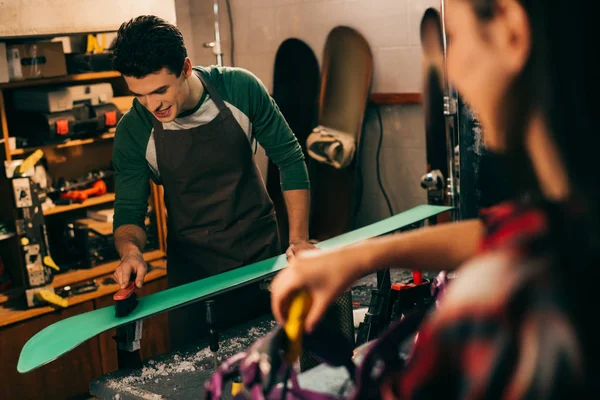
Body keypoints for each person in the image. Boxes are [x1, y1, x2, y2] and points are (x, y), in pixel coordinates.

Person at [272, 0, 599, 397]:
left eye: (456, 38)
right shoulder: (571, 219)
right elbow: (503, 232)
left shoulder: (500, 306)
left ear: (510, 32)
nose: (450, 69)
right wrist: (358, 257)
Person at [110, 15, 315, 348]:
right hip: (193, 275)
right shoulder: (133, 131)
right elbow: (129, 216)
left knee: (275, 365)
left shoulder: (240, 89)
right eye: (140, 95)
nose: (153, 105)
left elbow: (289, 158)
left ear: (186, 68)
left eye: (160, 90)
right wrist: (131, 252)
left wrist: (299, 240)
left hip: (258, 258)